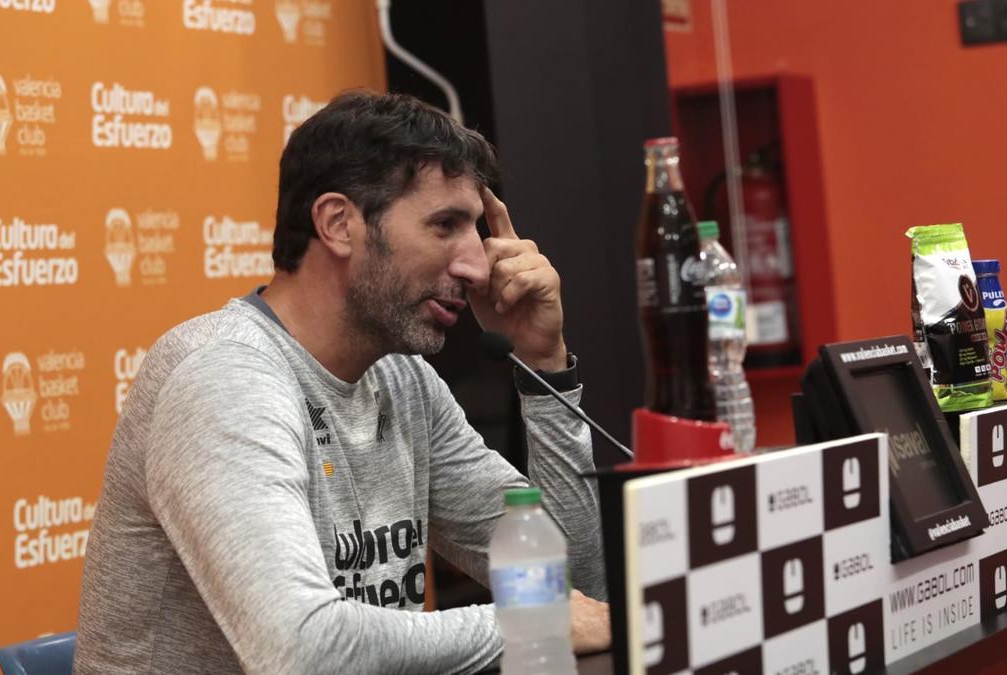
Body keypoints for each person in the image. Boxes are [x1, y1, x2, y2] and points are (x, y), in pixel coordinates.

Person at [73, 90, 610, 674]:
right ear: (338, 224)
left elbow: (574, 583)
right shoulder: (223, 375)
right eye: (445, 226)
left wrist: (544, 367)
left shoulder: (404, 381)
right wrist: (532, 624)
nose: (477, 265)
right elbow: (300, 649)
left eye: (474, 230)